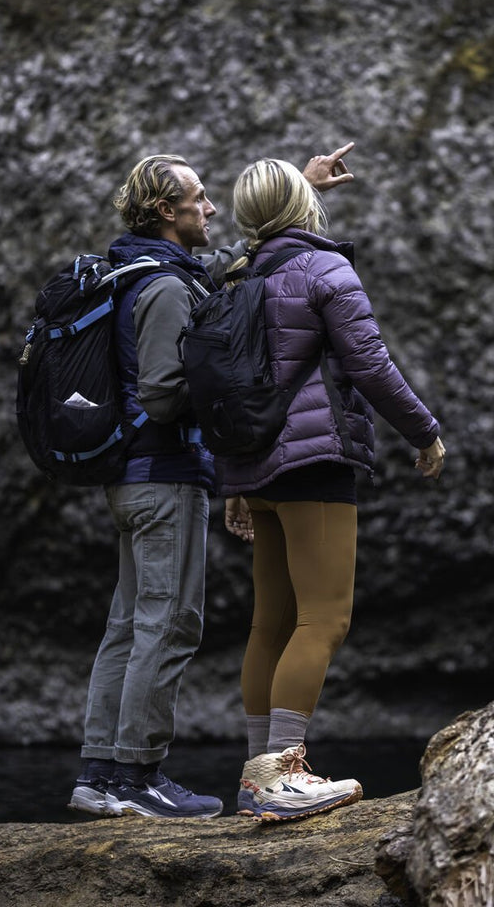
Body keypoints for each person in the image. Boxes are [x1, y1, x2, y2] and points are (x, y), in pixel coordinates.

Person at [68, 146, 356, 819]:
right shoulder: (166, 288)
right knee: (168, 624)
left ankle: (99, 777)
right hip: (163, 478)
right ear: (167, 211)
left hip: (130, 477)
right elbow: (165, 395)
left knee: (126, 624)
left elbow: (229, 259)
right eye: (198, 199)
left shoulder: (139, 271)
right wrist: (232, 398)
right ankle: (136, 777)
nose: (210, 207)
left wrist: (302, 191)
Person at [219, 157, 446, 821]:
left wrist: (234, 481)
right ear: (307, 208)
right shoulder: (325, 269)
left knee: (271, 624)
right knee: (324, 619)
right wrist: (423, 432)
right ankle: (279, 777)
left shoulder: (235, 276)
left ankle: (257, 777)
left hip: (253, 465)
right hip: (315, 461)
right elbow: (369, 364)